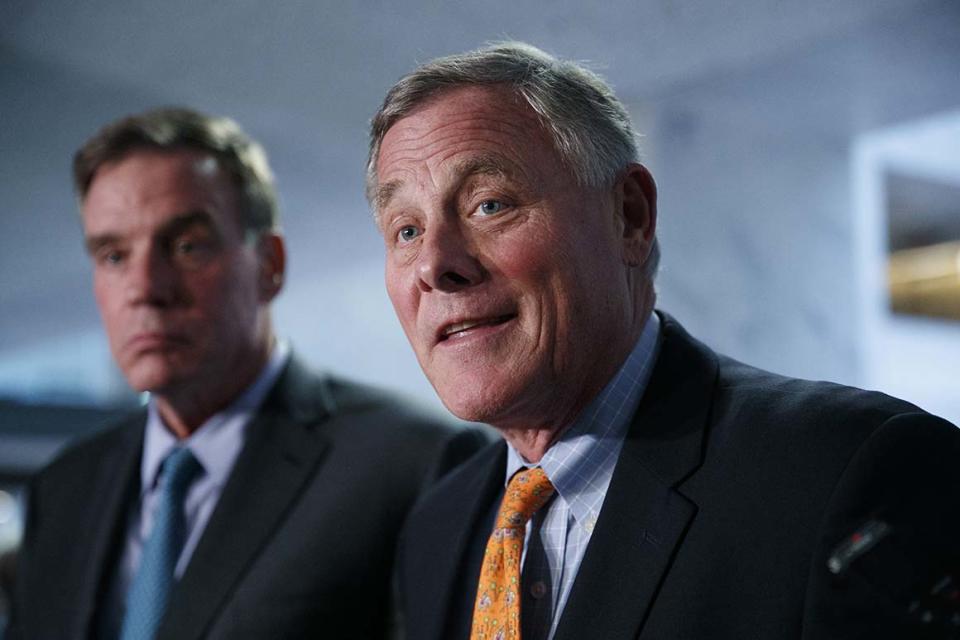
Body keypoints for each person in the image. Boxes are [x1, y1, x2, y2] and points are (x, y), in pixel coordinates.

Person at [366, 42, 960, 640]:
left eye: (489, 204)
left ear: (629, 216)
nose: (434, 264)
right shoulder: (435, 528)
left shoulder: (852, 470)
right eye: (407, 230)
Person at [9, 107, 485, 640]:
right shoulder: (64, 487)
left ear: (269, 265)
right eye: (114, 255)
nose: (144, 287)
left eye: (186, 246)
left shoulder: (414, 462)